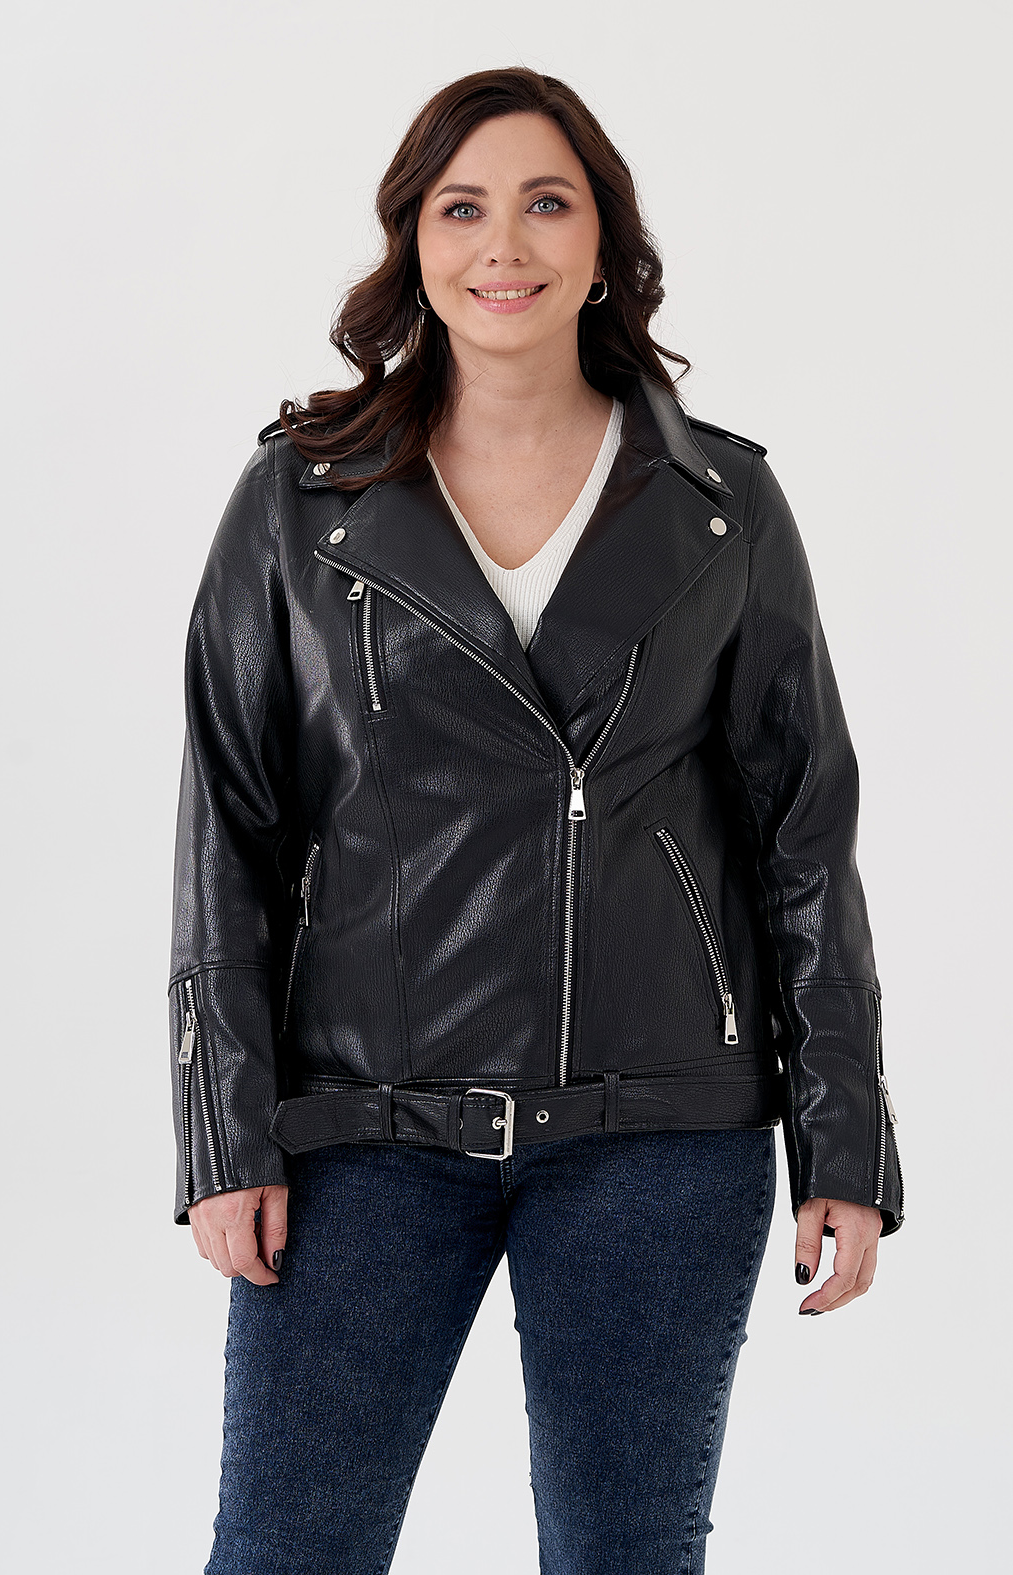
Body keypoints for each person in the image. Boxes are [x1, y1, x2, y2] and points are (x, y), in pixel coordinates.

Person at [168, 66, 903, 1575]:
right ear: (414, 242)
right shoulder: (302, 498)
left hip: (659, 1133)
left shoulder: (721, 502)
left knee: (627, 1556)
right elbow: (230, 830)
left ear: (603, 244)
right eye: (462, 208)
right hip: (360, 1130)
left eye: (545, 202)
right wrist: (224, 1132)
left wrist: (844, 1138)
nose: (502, 244)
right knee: (285, 1551)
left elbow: (802, 833)